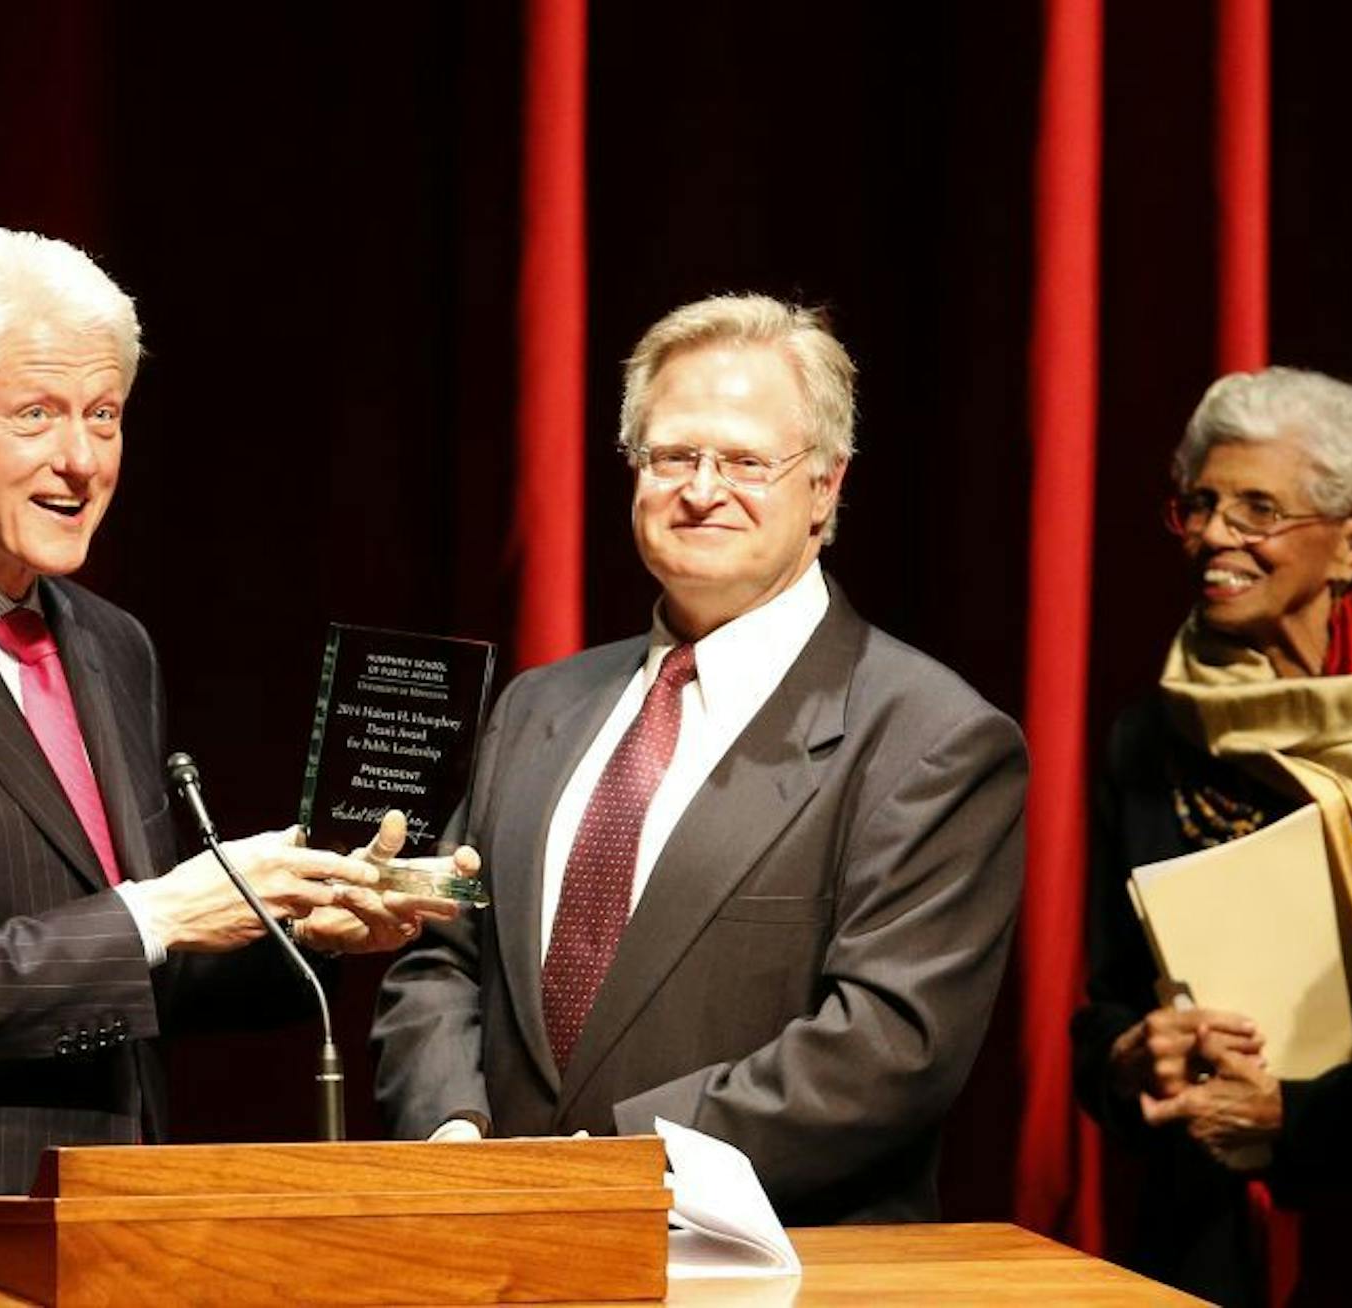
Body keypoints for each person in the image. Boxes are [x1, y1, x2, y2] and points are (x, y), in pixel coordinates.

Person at [0, 228, 455, 1248]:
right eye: (35, 414)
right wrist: (159, 912)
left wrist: (297, 927)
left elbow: (127, 967)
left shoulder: (112, 646)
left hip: (105, 1230)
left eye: (103, 416)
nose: (79, 460)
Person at [372, 293, 1027, 1224]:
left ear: (827, 487)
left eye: (748, 460)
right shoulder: (536, 707)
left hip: (765, 1268)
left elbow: (887, 1047)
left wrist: (608, 1171)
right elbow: (439, 954)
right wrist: (452, 1131)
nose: (703, 488)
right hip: (493, 1245)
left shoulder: (932, 738)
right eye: (673, 454)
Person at [1071, 367, 1352, 1306]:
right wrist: (1135, 1056)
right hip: (1198, 1242)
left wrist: (1293, 1116)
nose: (1214, 535)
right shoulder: (1148, 736)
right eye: (1200, 506)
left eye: (1257, 511)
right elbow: (1104, 1014)